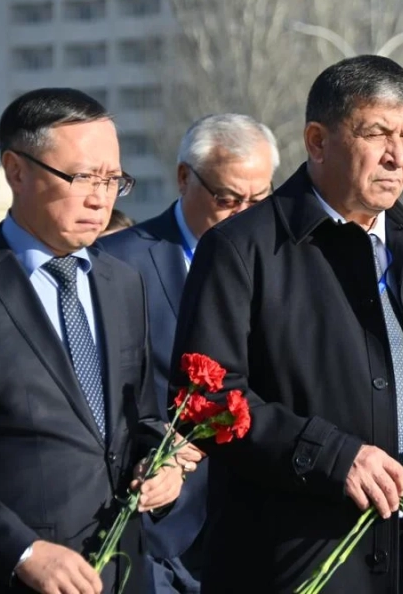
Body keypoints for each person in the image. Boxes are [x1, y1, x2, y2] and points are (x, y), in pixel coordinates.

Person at [168, 55, 403, 594]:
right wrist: (331, 456)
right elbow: (203, 402)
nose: (397, 156)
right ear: (318, 141)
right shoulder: (241, 250)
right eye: (376, 133)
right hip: (302, 563)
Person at [0, 88, 187, 594]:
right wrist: (20, 549)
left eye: (113, 180)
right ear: (16, 170)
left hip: (123, 573)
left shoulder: (122, 284)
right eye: (82, 177)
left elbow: (142, 419)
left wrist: (166, 466)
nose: (100, 198)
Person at [99, 113, 277, 593]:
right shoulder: (117, 263)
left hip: (264, 532)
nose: (244, 214)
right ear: (184, 178)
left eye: (258, 200)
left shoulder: (288, 266)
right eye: (226, 199)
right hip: (161, 535)